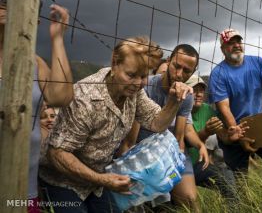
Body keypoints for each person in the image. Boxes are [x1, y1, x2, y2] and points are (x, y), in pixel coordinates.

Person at [39, 36, 193, 213]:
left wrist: (174, 101)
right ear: (114, 63)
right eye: (131, 75)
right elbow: (58, 153)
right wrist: (102, 180)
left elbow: (157, 123)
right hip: (61, 181)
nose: (138, 83)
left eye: (144, 76)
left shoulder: (133, 92)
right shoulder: (85, 100)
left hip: (97, 180)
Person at [0, 0, 74, 213]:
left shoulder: (35, 63)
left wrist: (57, 39)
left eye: (24, 5)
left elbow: (61, 97)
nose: (13, 9)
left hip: (24, 187)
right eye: (5, 1)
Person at [122, 44, 208, 212]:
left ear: (193, 72)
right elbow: (131, 141)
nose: (179, 74)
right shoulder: (145, 87)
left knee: (190, 200)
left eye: (187, 71)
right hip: (142, 153)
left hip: (169, 153)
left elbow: (179, 138)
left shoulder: (187, 96)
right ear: (168, 61)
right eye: (177, 66)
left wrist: (171, 171)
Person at [208, 28, 262, 179]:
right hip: (233, 129)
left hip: (259, 125)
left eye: (239, 42)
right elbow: (224, 109)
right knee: (239, 178)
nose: (236, 45)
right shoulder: (218, 74)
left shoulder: (258, 63)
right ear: (223, 49)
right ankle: (243, 200)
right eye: (231, 43)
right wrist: (238, 133)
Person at [185, 75, 240, 207]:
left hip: (199, 165)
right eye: (194, 89)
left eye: (201, 90)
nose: (198, 94)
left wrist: (230, 137)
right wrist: (206, 132)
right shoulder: (179, 110)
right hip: (182, 167)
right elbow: (186, 141)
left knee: (226, 176)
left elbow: (223, 136)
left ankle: (233, 208)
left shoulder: (208, 110)